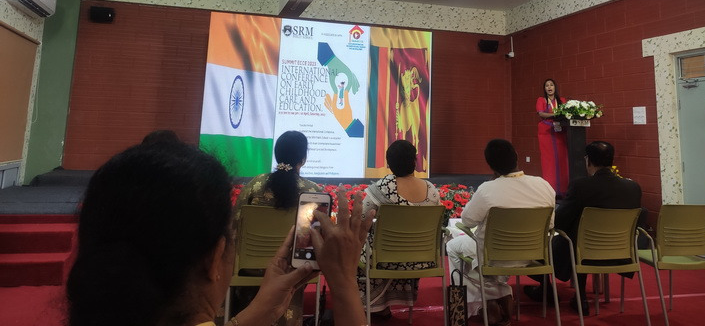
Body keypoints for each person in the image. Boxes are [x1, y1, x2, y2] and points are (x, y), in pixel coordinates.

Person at [66, 139, 374, 326]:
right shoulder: (314, 191)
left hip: (247, 275)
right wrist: (343, 282)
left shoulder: (253, 186)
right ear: (214, 258)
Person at [446, 139, 556, 325]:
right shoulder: (543, 185)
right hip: (532, 256)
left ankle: (492, 297)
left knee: (452, 247)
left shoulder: (488, 189)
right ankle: (496, 295)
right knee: (482, 259)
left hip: (493, 255)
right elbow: (551, 224)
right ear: (517, 157)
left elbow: (467, 221)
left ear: (490, 165)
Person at [524, 140, 642, 314]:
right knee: (580, 236)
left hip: (583, 252)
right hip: (620, 252)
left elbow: (560, 221)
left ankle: (547, 288)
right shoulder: (633, 188)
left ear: (588, 160)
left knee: (549, 245)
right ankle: (579, 295)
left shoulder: (581, 186)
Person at [232, 130, 321, 325]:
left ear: (277, 154)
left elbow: (234, 227)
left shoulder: (254, 185)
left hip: (249, 269)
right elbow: (316, 239)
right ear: (303, 159)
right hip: (291, 273)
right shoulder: (313, 192)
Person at [358, 139, 441, 319]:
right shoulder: (432, 190)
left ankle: (373, 306)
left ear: (388, 164)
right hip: (421, 260)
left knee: (359, 249)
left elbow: (361, 221)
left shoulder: (380, 189)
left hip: (384, 260)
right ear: (415, 162)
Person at [536, 78, 569, 196]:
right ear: (544, 89)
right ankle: (551, 190)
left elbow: (566, 113)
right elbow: (541, 113)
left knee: (562, 158)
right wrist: (555, 114)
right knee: (549, 161)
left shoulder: (562, 100)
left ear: (555, 87)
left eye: (551, 85)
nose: (549, 87)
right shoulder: (541, 100)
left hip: (559, 131)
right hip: (546, 131)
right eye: (547, 85)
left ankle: (564, 189)